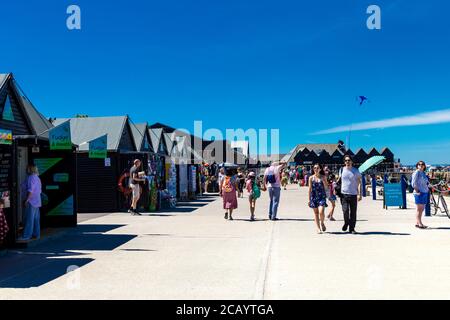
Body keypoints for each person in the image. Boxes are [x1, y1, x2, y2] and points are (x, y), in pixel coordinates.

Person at [338, 155, 362, 234]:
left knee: (353, 213)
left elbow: (359, 183)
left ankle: (352, 228)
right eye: (345, 160)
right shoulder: (341, 170)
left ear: (351, 161)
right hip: (344, 194)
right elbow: (339, 180)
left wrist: (359, 194)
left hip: (353, 194)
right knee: (345, 211)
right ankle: (346, 222)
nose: (347, 162)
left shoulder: (356, 171)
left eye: (348, 160)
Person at [17, 165, 42, 242]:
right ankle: (36, 234)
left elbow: (30, 190)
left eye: (27, 168)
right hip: (37, 201)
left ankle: (26, 236)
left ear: (30, 169)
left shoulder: (31, 178)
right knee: (36, 219)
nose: (26, 169)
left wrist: (26, 200)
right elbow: (39, 190)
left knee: (29, 219)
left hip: (31, 201)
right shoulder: (37, 178)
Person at [308, 164, 328, 234]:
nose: (316, 169)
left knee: (321, 211)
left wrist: (324, 181)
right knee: (316, 213)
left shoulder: (323, 177)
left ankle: (322, 223)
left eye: (317, 168)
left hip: (321, 197)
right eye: (314, 168)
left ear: (320, 169)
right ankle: (318, 228)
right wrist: (309, 199)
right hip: (313, 197)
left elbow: (326, 187)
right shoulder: (311, 178)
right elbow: (310, 189)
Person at [411, 160, 429, 229]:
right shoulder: (416, 172)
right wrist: (417, 190)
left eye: (422, 164)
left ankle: (417, 223)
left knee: (422, 209)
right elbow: (413, 183)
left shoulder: (423, 173)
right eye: (419, 164)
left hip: (425, 192)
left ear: (424, 166)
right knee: (419, 209)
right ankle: (420, 224)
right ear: (417, 165)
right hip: (419, 193)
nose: (421, 165)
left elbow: (426, 183)